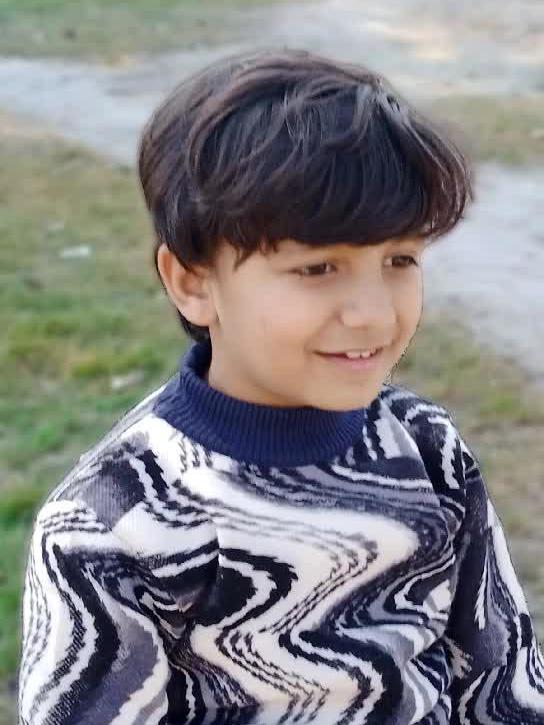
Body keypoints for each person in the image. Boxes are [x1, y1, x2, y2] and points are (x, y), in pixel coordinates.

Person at [18, 47, 544, 724]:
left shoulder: (426, 449)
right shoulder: (115, 523)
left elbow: (505, 681)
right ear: (193, 282)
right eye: (318, 269)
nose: (373, 313)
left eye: (400, 260)